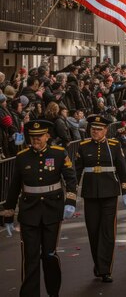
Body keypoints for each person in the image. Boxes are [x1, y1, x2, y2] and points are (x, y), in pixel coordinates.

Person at [0, 119, 77, 297]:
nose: (35, 140)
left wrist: (70, 202)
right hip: (29, 212)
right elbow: (14, 186)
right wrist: (9, 214)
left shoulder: (59, 154)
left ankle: (53, 292)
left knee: (49, 255)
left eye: (39, 137)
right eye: (33, 137)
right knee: (30, 257)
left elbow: (70, 179)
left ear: (47, 136)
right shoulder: (22, 157)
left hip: (52, 210)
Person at [74, 114, 126, 283]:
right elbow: (76, 171)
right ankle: (98, 263)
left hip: (109, 192)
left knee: (107, 231)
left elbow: (122, 168)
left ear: (106, 130)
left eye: (99, 130)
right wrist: (70, 192)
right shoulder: (83, 147)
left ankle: (105, 269)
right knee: (93, 230)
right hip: (90, 193)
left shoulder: (113, 145)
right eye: (93, 130)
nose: (95, 132)